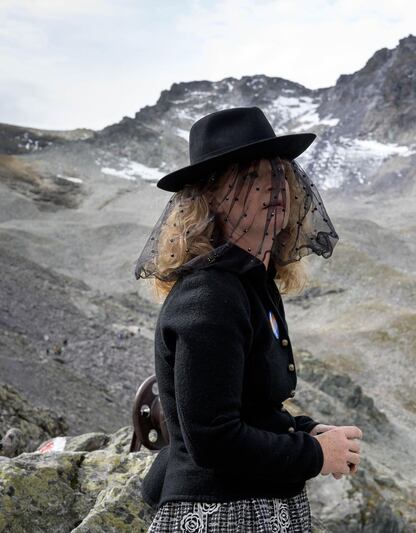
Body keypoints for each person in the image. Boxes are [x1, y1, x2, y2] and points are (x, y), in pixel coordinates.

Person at [134, 107, 362, 532]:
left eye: (279, 173)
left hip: (250, 508)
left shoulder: (248, 282)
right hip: (219, 515)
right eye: (249, 176)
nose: (273, 186)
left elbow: (249, 407)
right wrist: (315, 455)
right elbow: (213, 440)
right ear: (211, 197)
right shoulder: (210, 295)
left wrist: (306, 429)